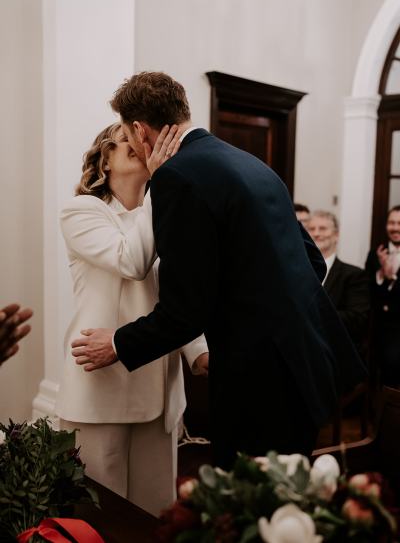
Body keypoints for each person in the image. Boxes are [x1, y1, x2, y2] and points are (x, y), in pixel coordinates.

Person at [71, 71, 366, 469]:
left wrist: (119, 344)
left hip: (258, 380)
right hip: (307, 364)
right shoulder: (250, 163)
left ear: (141, 130)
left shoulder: (175, 177)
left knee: (248, 509)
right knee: (289, 501)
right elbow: (312, 262)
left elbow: (185, 311)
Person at [56, 122, 208, 516]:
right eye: (126, 140)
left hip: (157, 382)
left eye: (142, 140)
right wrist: (162, 186)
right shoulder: (82, 212)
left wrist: (198, 352)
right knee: (99, 514)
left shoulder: (163, 212)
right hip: (101, 381)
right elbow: (133, 261)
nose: (139, 146)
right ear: (103, 159)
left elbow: (175, 293)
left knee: (155, 511)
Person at [308, 211, 370, 351]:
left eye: (323, 228)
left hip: (338, 353)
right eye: (311, 229)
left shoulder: (354, 275)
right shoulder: (297, 272)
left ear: (336, 235)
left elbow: (357, 319)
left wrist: (309, 315)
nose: (317, 233)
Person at [365, 205, 400, 386]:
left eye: (399, 223)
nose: (395, 227)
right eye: (391, 223)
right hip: (378, 323)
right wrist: (380, 275)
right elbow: (367, 290)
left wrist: (391, 277)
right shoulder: (375, 253)